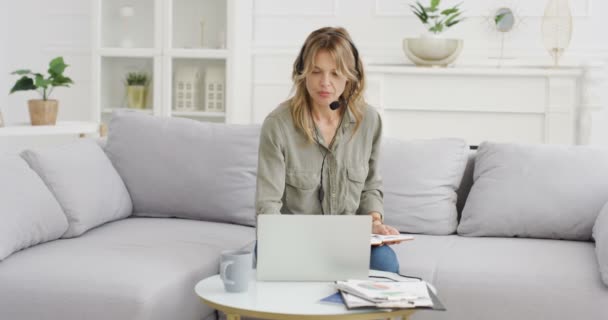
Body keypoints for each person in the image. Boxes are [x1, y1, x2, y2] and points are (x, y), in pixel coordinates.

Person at [255, 26, 402, 273]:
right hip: (293, 239)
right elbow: (268, 206)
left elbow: (370, 186)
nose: (325, 83)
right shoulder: (277, 125)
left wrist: (374, 223)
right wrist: (286, 244)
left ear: (350, 76)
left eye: (335, 73)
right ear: (302, 73)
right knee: (277, 265)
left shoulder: (369, 121)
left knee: (385, 263)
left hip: (349, 239)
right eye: (316, 72)